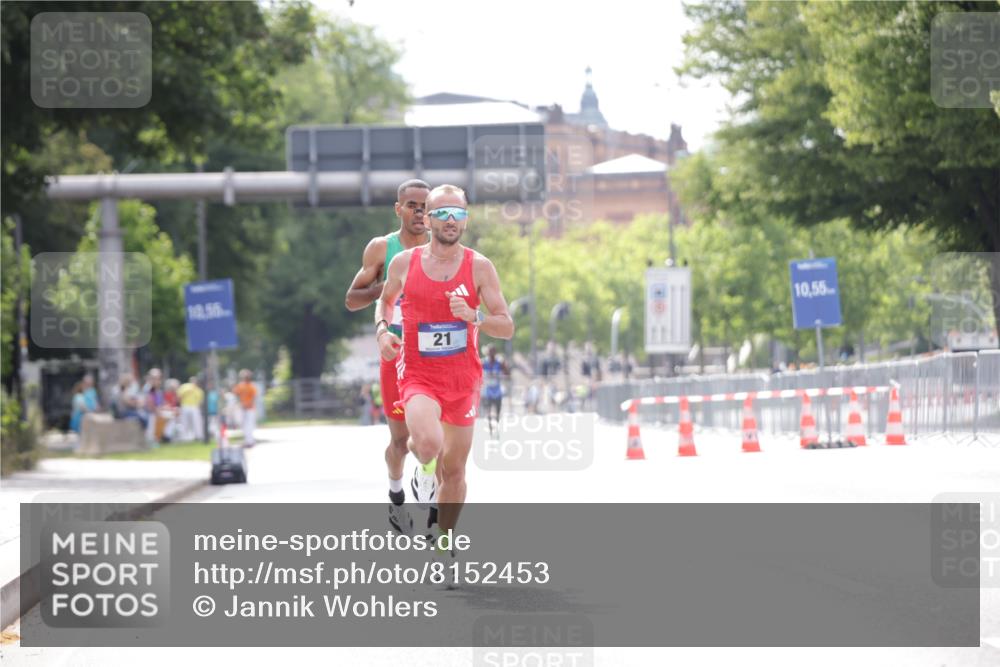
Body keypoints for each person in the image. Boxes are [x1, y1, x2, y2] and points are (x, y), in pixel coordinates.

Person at [376, 184, 514, 573]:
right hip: (419, 374)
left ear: (466, 219)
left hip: (463, 380)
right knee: (427, 444)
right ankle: (421, 471)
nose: (451, 221)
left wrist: (476, 318)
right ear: (428, 218)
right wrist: (383, 331)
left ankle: (443, 547)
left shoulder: (480, 267)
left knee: (454, 472)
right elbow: (385, 302)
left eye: (458, 214)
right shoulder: (404, 263)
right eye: (442, 214)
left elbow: (507, 325)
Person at [345, 178, 432, 536]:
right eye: (412, 205)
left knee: (431, 434)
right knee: (400, 442)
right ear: (398, 209)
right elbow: (352, 299)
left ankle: (426, 485)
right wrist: (393, 283)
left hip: (430, 351)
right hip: (394, 350)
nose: (419, 213)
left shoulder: (441, 249)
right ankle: (396, 497)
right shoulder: (382, 248)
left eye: (426, 207)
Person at [481, 345, 508, 436]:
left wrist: (504, 365)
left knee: (498, 410)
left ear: (495, 353)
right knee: (488, 410)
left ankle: (497, 425)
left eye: (493, 352)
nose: (491, 354)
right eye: (489, 352)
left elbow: (507, 372)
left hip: (497, 390)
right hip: (488, 390)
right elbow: (477, 371)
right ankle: (490, 427)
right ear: (487, 353)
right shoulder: (484, 362)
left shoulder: (499, 362)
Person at [233, 369, 258, 447]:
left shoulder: (252, 387)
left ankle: (250, 441)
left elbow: (253, 398)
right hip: (243, 408)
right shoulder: (240, 385)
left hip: (250, 408)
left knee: (250, 425)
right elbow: (235, 393)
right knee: (243, 425)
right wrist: (240, 403)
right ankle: (247, 441)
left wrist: (246, 404)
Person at [177, 376, 205, 442]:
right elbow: (179, 396)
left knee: (197, 422)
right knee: (184, 422)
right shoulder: (184, 387)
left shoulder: (199, 390)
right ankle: (183, 436)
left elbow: (200, 401)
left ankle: (198, 436)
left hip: (194, 407)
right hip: (185, 406)